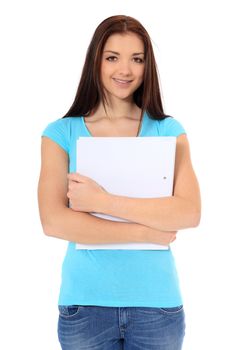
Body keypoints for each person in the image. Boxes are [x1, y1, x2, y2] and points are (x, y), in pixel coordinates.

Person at [38, 15, 201, 350]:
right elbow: (54, 221)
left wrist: (102, 202)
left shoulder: (168, 131)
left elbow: (188, 213)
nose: (125, 70)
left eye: (136, 59)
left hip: (157, 305)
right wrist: (145, 231)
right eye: (113, 57)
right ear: (95, 60)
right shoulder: (61, 133)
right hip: (85, 306)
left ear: (147, 66)